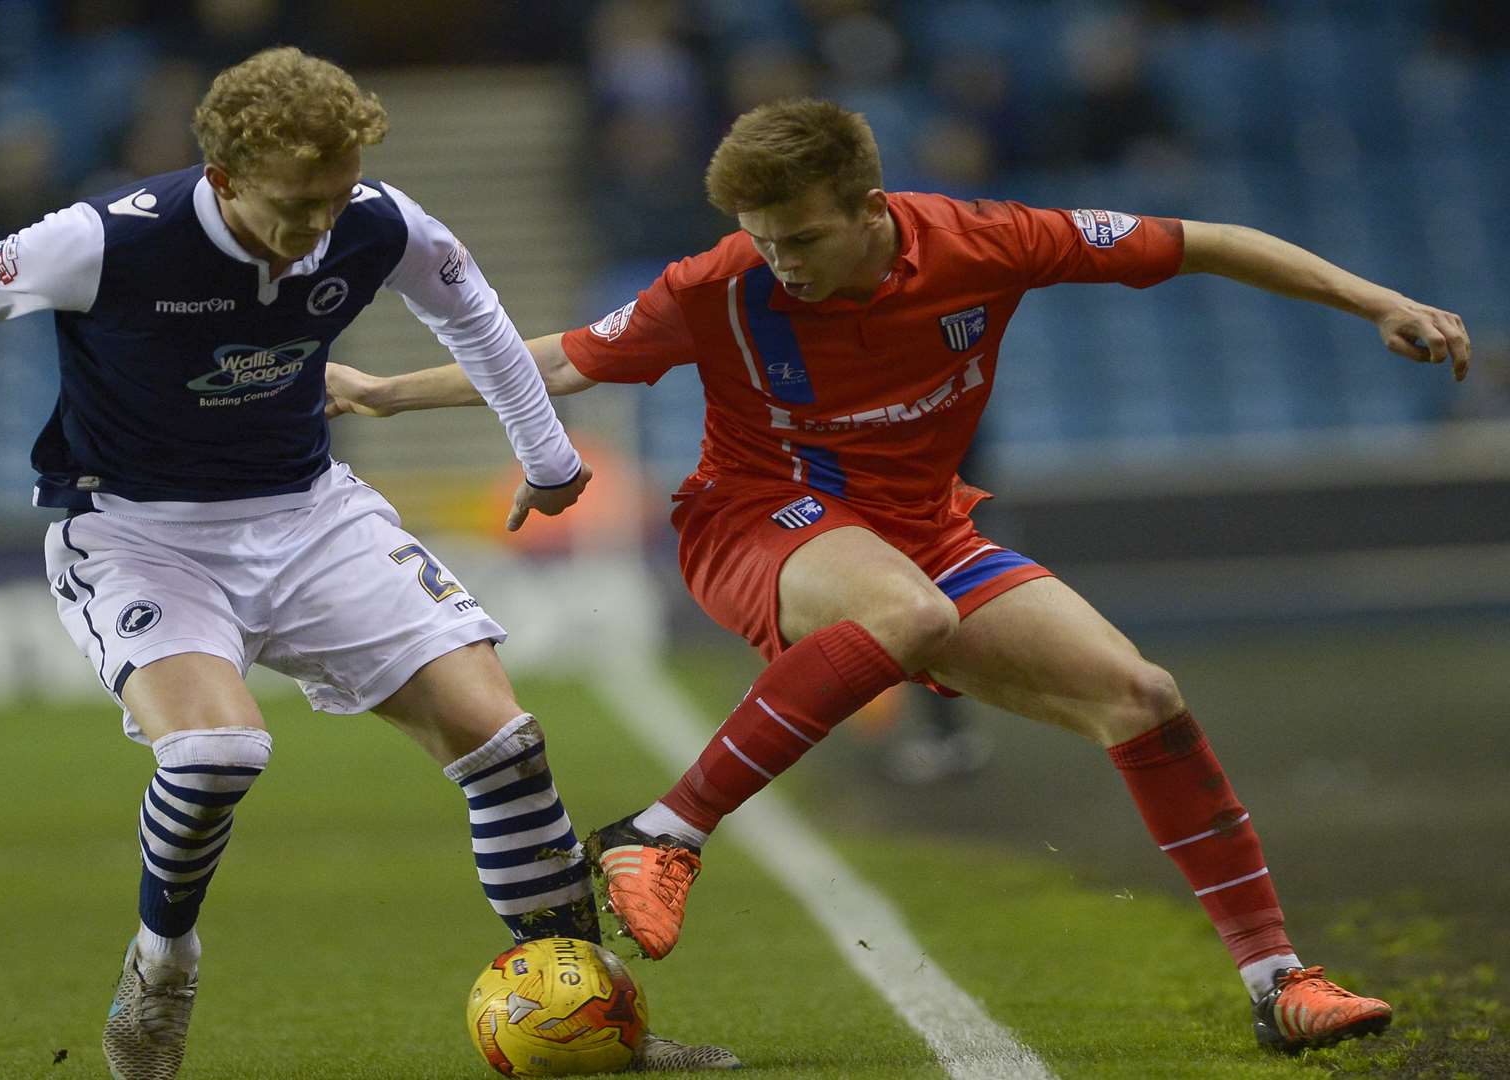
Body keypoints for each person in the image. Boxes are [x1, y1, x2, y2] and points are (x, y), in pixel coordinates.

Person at [0, 47, 737, 1079]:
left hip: (310, 518)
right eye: (294, 207)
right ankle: (162, 969)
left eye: (335, 201)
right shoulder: (109, 240)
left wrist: (546, 455)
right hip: (136, 531)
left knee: (504, 742)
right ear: (223, 176)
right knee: (217, 752)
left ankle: (605, 1028)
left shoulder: (374, 219)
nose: (319, 232)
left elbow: (478, 320)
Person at [322, 98, 1474, 1054]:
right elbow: (563, 359)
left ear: (872, 208)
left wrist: (1377, 299)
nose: (779, 261)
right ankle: (662, 832)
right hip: (758, 523)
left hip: (924, 527)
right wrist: (380, 394)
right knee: (904, 613)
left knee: (1142, 697)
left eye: (802, 239)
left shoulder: (992, 241)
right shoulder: (721, 282)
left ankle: (1280, 982)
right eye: (763, 237)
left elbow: (1204, 238)